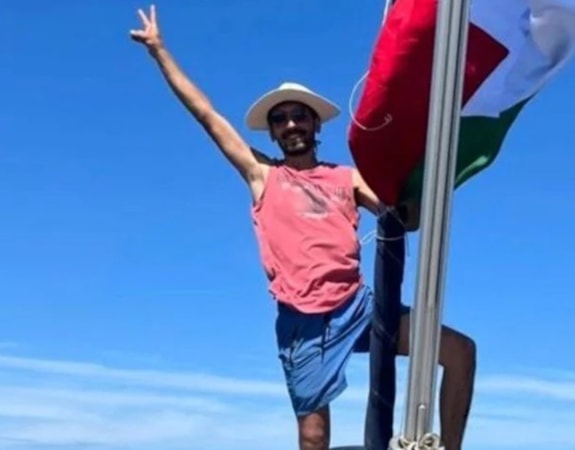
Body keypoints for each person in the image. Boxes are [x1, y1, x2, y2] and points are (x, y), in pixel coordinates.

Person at [130, 6, 476, 450]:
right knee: (314, 437)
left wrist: (425, 186)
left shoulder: (347, 178)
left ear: (315, 124)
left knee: (460, 352)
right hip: (303, 324)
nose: (291, 123)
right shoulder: (263, 176)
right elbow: (207, 115)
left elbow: (402, 219)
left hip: (358, 309)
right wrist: (159, 51)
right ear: (273, 133)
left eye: (299, 115)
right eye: (281, 119)